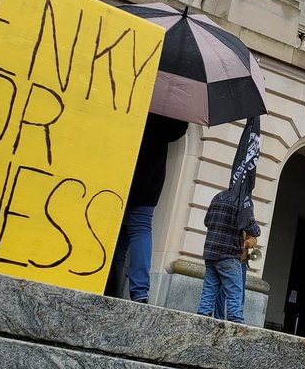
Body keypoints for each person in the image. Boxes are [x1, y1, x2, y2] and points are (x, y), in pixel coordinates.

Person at [107, 113, 188, 303]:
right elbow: (177, 131)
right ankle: (137, 290)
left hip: (126, 169)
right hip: (151, 176)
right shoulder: (172, 107)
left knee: (125, 233)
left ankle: (114, 288)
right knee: (135, 230)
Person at [196, 185, 260, 323]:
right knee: (235, 295)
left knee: (208, 292)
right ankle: (236, 325)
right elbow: (253, 229)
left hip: (211, 252)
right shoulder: (243, 201)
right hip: (229, 254)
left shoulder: (218, 197)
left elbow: (207, 221)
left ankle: (200, 320)